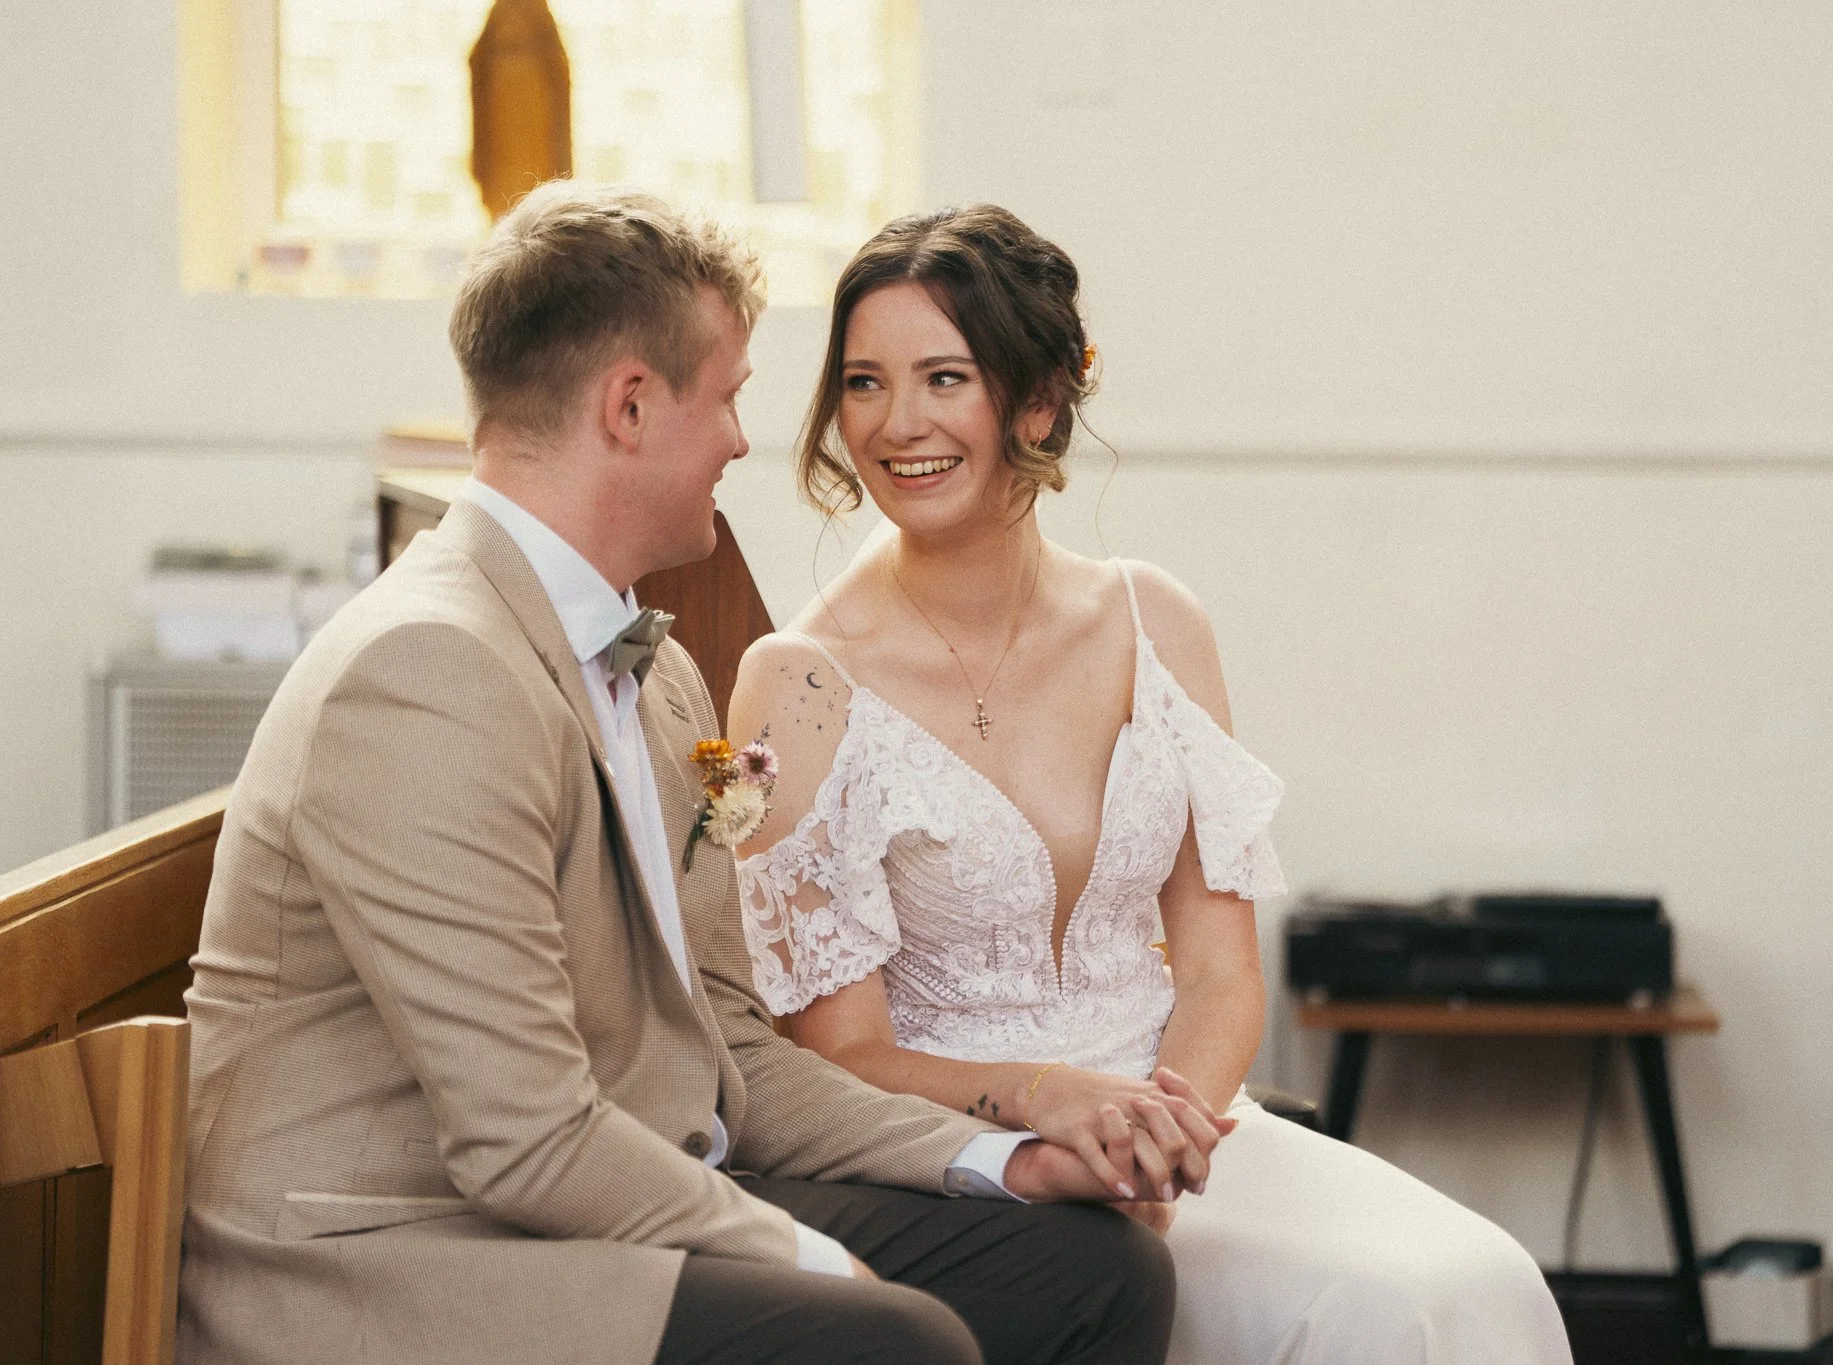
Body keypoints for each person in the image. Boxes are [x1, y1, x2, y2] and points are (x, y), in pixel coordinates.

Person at [177, 184, 1191, 1365]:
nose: (742, 440)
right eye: (728, 398)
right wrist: (812, 1260)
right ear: (630, 406)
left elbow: (734, 1055)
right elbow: (522, 1141)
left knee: (1090, 1272)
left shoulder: (653, 676)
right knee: (893, 1343)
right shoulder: (425, 673)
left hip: (603, 1204)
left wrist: (1004, 1152)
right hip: (407, 1261)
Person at [730, 204, 1578, 1365]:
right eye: (865, 384)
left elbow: (1221, 966)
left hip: (1184, 1129)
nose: (897, 424)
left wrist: (1160, 1137)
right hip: (965, 1161)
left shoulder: (1154, 620)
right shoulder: (798, 686)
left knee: (1476, 1284)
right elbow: (837, 1055)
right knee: (1371, 1317)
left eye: (944, 377)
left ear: (1037, 399)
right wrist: (1049, 1109)